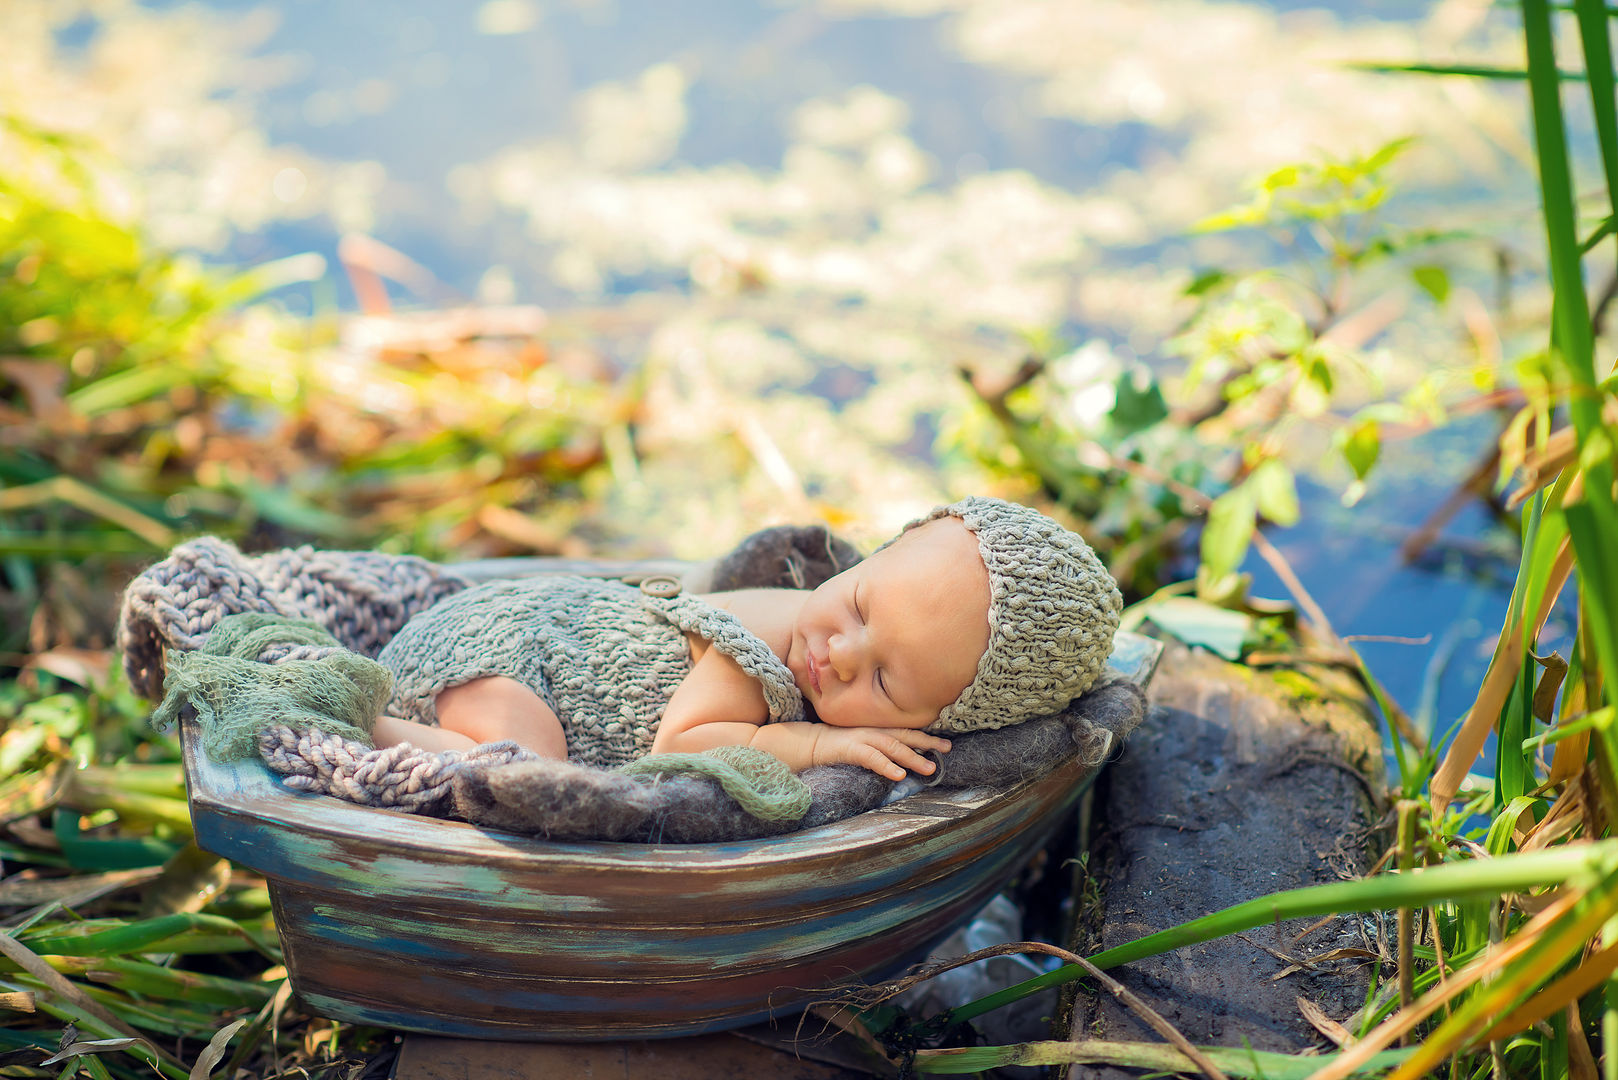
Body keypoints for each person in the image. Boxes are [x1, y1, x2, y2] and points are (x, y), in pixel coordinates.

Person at [371, 497, 1122, 781]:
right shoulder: (763, 638)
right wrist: (817, 747)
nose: (840, 653)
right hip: (508, 656)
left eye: (886, 683)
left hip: (518, 656)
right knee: (527, 769)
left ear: (938, 725)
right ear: (877, 553)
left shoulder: (836, 641)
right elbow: (683, 745)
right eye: (859, 605)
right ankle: (364, 721)